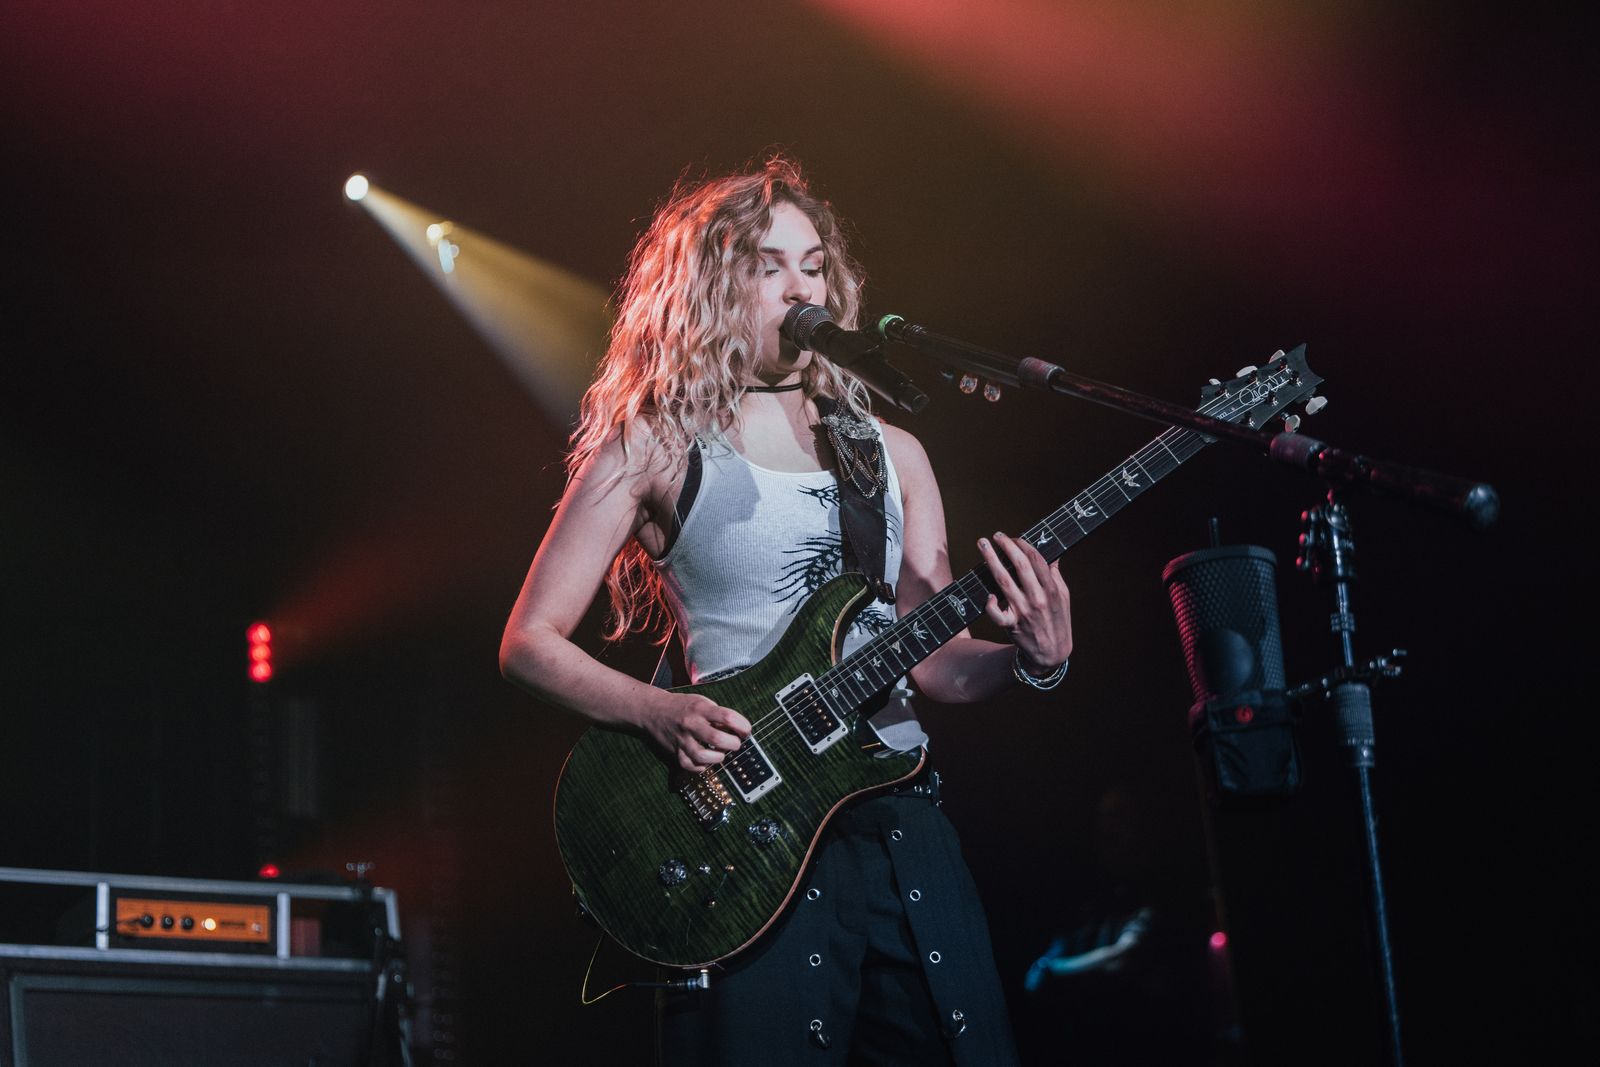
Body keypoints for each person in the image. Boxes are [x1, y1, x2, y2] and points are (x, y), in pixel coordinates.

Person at [499, 156, 1073, 1065]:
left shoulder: (894, 453)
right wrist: (657, 709)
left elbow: (934, 661)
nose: (798, 286)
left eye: (812, 265)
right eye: (768, 265)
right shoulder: (654, 441)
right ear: (710, 285)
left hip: (897, 831)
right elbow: (528, 640)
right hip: (747, 843)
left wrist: (1030, 655)